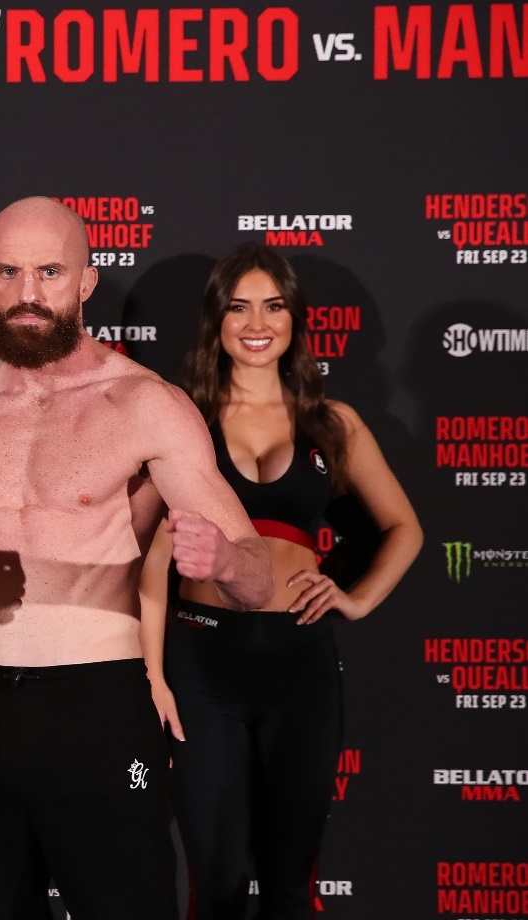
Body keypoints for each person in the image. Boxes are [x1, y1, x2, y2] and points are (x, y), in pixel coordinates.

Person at [0, 197, 274, 920]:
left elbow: (256, 578)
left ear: (86, 281)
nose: (28, 293)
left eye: (50, 272)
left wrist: (221, 560)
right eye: (9, 272)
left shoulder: (145, 405)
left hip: (96, 708)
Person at [139, 243, 422, 920]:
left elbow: (404, 528)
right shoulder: (184, 421)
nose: (256, 323)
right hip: (202, 663)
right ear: (216, 319)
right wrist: (151, 676)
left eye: (272, 306)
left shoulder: (332, 422)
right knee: (216, 885)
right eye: (238, 307)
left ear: (294, 317)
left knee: (289, 885)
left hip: (299, 664)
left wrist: (356, 599)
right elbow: (151, 562)